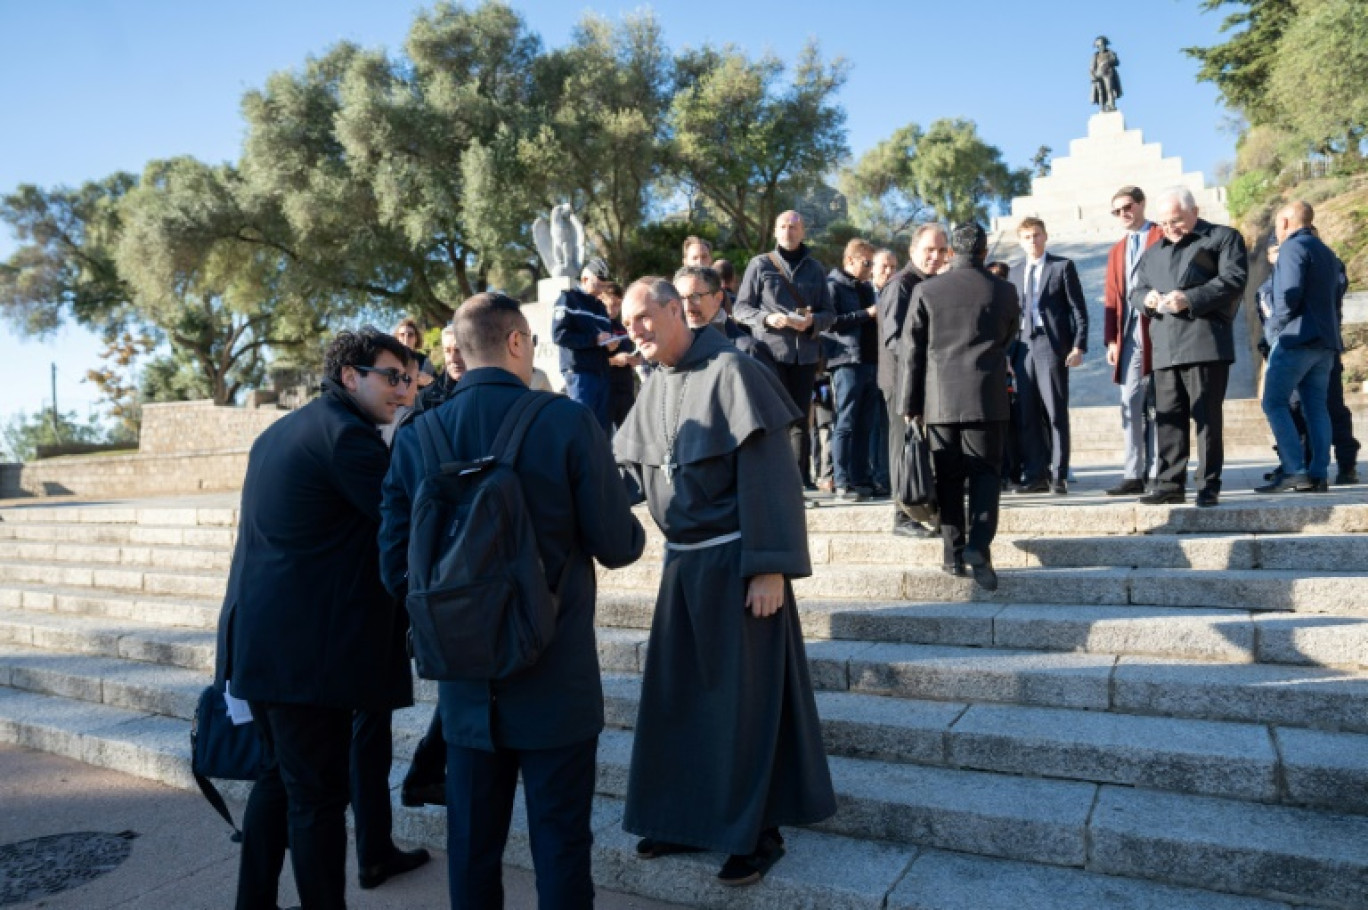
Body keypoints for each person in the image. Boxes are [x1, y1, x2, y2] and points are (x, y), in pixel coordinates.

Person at [379, 292, 645, 910]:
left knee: (471, 852)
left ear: (459, 353)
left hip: (467, 686)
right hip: (556, 675)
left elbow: (396, 567)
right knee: (560, 849)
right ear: (519, 341)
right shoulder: (566, 421)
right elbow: (617, 546)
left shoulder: (418, 435)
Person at [614, 277, 836, 887]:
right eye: (627, 322)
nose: (633, 331)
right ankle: (682, 816)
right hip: (683, 567)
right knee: (679, 702)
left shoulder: (734, 371)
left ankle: (757, 833)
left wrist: (769, 566)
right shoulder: (654, 383)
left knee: (745, 704)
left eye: (640, 318)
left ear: (672, 308)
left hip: (738, 566)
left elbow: (771, 475)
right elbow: (632, 472)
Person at [216, 327, 427, 910]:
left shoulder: (282, 431)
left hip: (265, 647)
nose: (405, 391)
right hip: (307, 660)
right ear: (349, 376)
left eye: (409, 378)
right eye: (393, 376)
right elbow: (405, 523)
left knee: (281, 783)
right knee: (317, 801)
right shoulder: (346, 439)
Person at [899, 222, 1020, 591]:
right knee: (985, 475)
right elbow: (1008, 336)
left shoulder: (927, 290)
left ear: (953, 251)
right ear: (984, 250)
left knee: (949, 480)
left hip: (941, 400)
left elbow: (911, 352)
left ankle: (953, 555)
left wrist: (910, 403)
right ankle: (979, 546)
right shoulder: (1005, 290)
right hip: (986, 395)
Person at [1131, 187, 1249, 507]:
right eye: (1165, 223)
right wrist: (1147, 300)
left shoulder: (1223, 238)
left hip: (1205, 342)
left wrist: (1190, 298)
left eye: (1177, 221)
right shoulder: (1153, 252)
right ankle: (1170, 482)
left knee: (1206, 418)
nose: (1170, 228)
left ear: (1195, 211)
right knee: (1168, 417)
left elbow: (1234, 279)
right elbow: (1136, 290)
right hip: (1165, 346)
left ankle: (1208, 484)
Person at [734, 211, 835, 489]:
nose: (788, 231)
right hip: (769, 352)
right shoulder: (760, 265)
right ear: (775, 232)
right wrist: (768, 318)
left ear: (803, 232)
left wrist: (814, 321)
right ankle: (770, 480)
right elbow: (740, 309)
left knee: (800, 420)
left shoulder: (815, 269)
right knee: (772, 418)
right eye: (783, 226)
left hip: (804, 355)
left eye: (794, 227)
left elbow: (830, 313)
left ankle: (798, 481)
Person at [1256, 201, 1344, 493]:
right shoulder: (1326, 251)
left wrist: (1276, 331)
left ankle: (1294, 469)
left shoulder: (1293, 248)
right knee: (1316, 408)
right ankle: (1318, 474)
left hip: (1296, 339)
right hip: (1325, 342)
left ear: (1284, 222)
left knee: (1273, 402)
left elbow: (1287, 298)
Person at [1008, 217, 1088, 495]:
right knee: (1026, 414)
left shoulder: (1061, 267)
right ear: (1020, 241)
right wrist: (1008, 352)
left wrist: (1078, 346)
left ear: (1045, 236)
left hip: (1051, 347)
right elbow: (1009, 316)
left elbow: (1078, 310)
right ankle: (1035, 474)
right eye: (1027, 237)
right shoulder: (1014, 272)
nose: (1033, 240)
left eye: (1037, 235)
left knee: (1055, 412)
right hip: (1022, 348)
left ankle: (1059, 474)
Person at [880, 224, 950, 537]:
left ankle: (923, 508)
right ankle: (902, 516)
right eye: (928, 250)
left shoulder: (934, 283)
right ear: (913, 251)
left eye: (940, 251)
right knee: (902, 447)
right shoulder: (900, 285)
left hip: (926, 381)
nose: (934, 256)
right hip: (902, 381)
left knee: (922, 448)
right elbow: (894, 339)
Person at [1103, 185, 1164, 495]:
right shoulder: (1117, 249)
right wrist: (1111, 341)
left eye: (1127, 207)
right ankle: (1133, 472)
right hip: (1128, 333)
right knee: (1130, 401)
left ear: (1142, 204)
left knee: (1160, 403)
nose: (1123, 214)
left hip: (1159, 330)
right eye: (1117, 211)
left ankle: (1158, 471)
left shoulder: (1161, 235)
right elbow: (1112, 296)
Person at [824, 238, 881, 500]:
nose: (871, 268)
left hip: (870, 361)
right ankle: (842, 480)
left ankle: (862, 478)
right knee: (845, 422)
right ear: (850, 260)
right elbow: (830, 323)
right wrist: (866, 314)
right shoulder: (833, 286)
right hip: (846, 361)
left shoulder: (866, 287)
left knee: (865, 425)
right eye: (867, 262)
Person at [552, 256, 618, 433]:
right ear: (585, 279)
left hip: (602, 373)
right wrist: (594, 340)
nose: (602, 288)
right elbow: (559, 335)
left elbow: (602, 338)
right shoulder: (568, 299)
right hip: (580, 374)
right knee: (582, 427)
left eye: (604, 284)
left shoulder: (601, 307)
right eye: (599, 283)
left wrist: (610, 345)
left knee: (602, 430)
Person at [598, 280, 643, 433]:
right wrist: (615, 361)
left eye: (618, 305)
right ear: (601, 300)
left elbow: (630, 352)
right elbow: (588, 361)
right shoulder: (596, 327)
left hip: (625, 390)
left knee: (631, 434)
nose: (614, 310)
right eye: (611, 304)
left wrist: (635, 359)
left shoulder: (622, 327)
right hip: (605, 390)